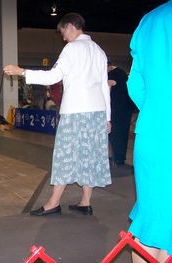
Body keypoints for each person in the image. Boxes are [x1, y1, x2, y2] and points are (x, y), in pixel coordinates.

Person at [4, 12, 111, 216]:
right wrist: (107, 117)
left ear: (70, 26)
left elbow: (53, 76)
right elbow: (104, 87)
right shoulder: (99, 50)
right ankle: (85, 202)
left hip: (74, 112)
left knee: (64, 156)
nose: (63, 37)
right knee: (89, 156)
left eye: (63, 32)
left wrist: (22, 72)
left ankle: (53, 203)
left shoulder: (72, 49)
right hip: (97, 112)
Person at [126, 1, 172, 261]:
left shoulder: (150, 20)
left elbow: (135, 84)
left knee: (150, 223)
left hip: (152, 135)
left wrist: (158, 111)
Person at [107, 61, 135, 165]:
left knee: (118, 133)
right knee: (117, 133)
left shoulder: (117, 73)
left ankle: (119, 158)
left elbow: (111, 83)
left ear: (108, 66)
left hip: (120, 108)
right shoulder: (120, 72)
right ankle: (117, 156)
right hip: (121, 108)